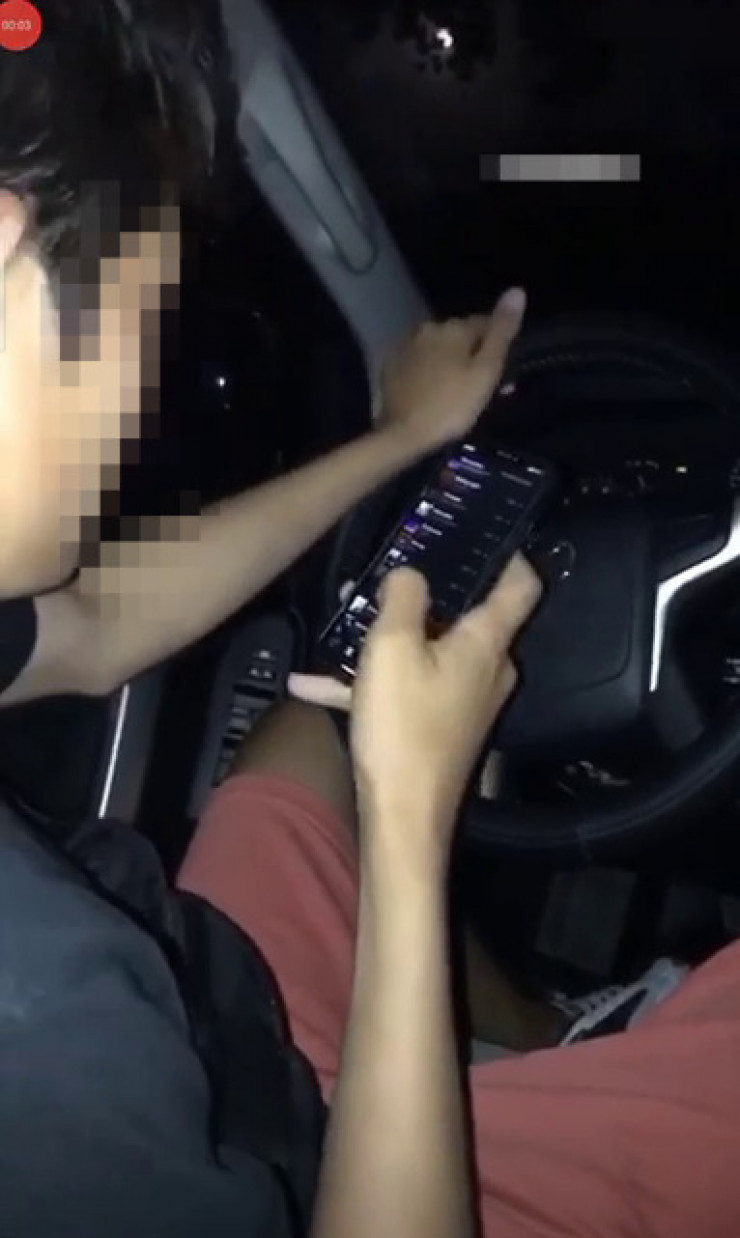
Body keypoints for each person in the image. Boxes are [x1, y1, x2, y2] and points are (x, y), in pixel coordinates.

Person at [1, 4, 740, 1238]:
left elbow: (91, 626)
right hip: (318, 1178)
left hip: (210, 1017)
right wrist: (410, 817)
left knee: (312, 730)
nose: (144, 396)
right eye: (149, 310)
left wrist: (401, 437)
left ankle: (553, 1037)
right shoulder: (44, 1027)